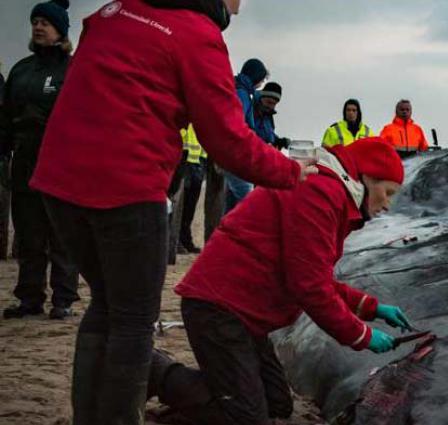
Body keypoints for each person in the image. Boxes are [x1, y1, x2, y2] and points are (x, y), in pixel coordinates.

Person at [28, 0, 317, 423]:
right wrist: (292, 173)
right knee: (131, 321)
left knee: (106, 305)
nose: (238, 7)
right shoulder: (198, 35)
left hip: (58, 181)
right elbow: (228, 140)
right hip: (126, 187)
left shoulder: (114, 12)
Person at [147, 138, 411, 425]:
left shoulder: (333, 194)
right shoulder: (321, 193)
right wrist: (362, 336)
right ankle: (154, 370)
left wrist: (371, 308)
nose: (388, 204)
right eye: (387, 192)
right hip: (220, 307)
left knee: (278, 404)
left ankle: (204, 401)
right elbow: (309, 286)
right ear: (366, 178)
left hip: (246, 316)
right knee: (248, 417)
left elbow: (310, 273)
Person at [1, 0, 80, 321]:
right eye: (35, 21)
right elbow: (5, 117)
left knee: (61, 235)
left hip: (62, 163)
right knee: (29, 233)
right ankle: (29, 297)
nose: (38, 26)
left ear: (60, 29)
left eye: (45, 22)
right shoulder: (20, 70)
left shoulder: (74, 68)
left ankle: (63, 298)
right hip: (24, 162)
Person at [225, 58, 270, 212]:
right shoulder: (242, 93)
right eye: (261, 80)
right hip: (238, 154)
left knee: (232, 201)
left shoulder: (241, 89)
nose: (261, 84)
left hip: (233, 153)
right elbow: (238, 122)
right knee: (248, 202)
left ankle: (224, 232)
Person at [179, 124, 207, 254]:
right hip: (185, 160)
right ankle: (178, 240)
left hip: (198, 161)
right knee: (182, 205)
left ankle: (185, 238)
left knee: (190, 206)